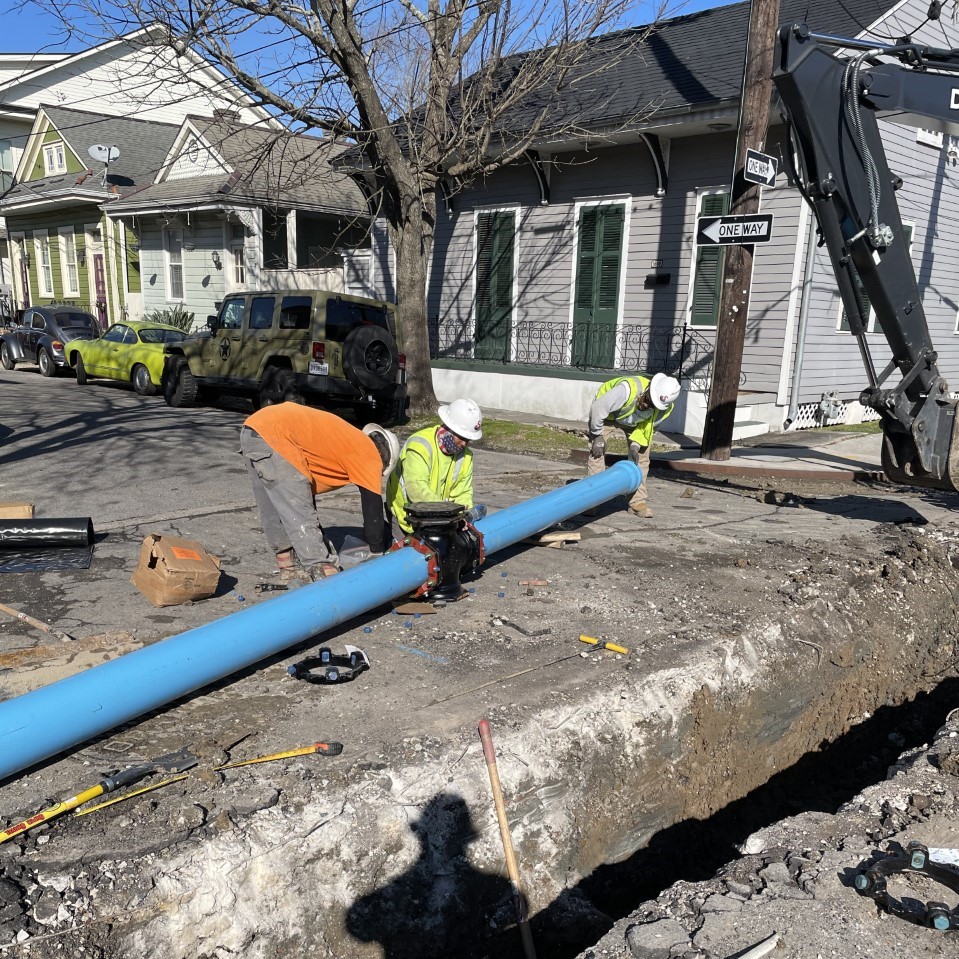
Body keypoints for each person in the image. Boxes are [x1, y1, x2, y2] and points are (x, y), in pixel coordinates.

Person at [240, 403, 400, 581]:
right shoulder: (369, 452)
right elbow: (373, 509)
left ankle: (288, 566)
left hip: (253, 428)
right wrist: (376, 551)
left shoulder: (344, 441)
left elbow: (302, 495)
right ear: (384, 455)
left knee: (274, 505)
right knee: (297, 512)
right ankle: (324, 572)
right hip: (277, 434)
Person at [586, 372, 681, 518]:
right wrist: (598, 435)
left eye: (653, 405)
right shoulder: (626, 390)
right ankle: (592, 501)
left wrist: (635, 446)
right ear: (649, 389)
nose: (647, 405)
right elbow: (598, 408)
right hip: (607, 416)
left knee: (642, 458)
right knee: (597, 452)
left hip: (635, 423)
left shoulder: (665, 408)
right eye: (649, 400)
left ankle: (637, 502)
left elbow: (648, 427)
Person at [387, 398, 483, 537]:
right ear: (449, 428)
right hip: (406, 515)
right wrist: (448, 512)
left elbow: (463, 493)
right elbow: (417, 490)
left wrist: (461, 516)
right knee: (404, 556)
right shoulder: (419, 445)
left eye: (468, 440)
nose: (464, 444)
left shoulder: (466, 456)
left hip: (440, 518)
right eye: (461, 437)